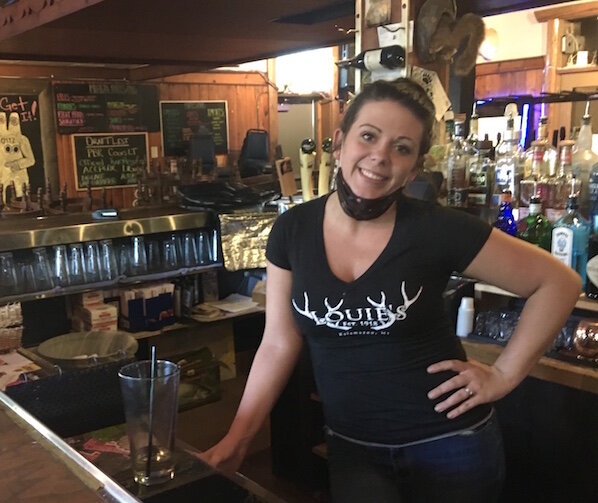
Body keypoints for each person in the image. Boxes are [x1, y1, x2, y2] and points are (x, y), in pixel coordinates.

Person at [200, 78, 581, 502]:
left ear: (415, 168)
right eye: (368, 136)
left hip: (450, 446)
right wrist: (238, 438)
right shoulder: (293, 230)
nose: (380, 157)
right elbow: (277, 342)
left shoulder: (438, 228)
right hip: (354, 449)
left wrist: (504, 375)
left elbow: (558, 282)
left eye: (401, 148)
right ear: (340, 142)